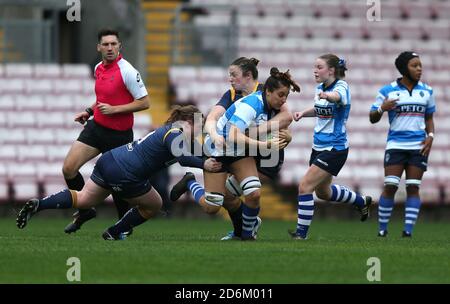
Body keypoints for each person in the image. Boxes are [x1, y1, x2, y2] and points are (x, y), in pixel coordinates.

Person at [16, 106, 223, 240]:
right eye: (200, 126)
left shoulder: (172, 132)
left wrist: (219, 158)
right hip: (127, 172)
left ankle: (39, 204)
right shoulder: (175, 132)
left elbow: (201, 152)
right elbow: (184, 158)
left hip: (110, 160)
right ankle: (114, 232)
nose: (200, 131)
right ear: (189, 121)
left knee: (84, 198)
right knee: (154, 204)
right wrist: (205, 166)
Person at [171, 57, 294, 240]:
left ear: (248, 76)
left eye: (233, 74)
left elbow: (287, 117)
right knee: (213, 205)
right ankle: (191, 182)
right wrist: (214, 135)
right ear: (269, 93)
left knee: (253, 193)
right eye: (230, 74)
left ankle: (245, 234)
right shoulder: (240, 98)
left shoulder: (269, 92)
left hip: (249, 152)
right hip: (224, 150)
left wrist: (269, 135)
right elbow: (216, 121)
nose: (230, 78)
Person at [62, 29, 149, 234]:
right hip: (96, 128)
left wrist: (115, 110)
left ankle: (123, 226)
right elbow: (103, 98)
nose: (110, 48)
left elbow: (145, 102)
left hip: (119, 135)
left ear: (119, 46)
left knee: (118, 184)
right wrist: (89, 111)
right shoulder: (99, 68)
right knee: (68, 169)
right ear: (98, 47)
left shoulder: (127, 71)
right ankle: (85, 211)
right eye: (106, 44)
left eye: (113, 44)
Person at [290, 54, 372, 240]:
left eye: (319, 67)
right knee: (323, 192)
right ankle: (361, 201)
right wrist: (303, 113)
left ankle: (300, 235)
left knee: (304, 186)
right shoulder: (320, 88)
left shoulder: (341, 87)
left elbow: (337, 98)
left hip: (335, 148)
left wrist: (328, 95)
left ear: (332, 70)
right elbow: (320, 110)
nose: (315, 70)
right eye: (314, 67)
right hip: (318, 146)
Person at [370, 51, 435, 238]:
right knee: (390, 186)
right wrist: (382, 108)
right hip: (396, 145)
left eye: (420, 65)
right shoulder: (387, 91)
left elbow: (429, 117)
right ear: (404, 68)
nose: (419, 69)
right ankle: (382, 230)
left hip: (419, 146)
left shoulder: (427, 91)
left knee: (413, 187)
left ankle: (408, 231)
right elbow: (372, 117)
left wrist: (430, 136)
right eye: (415, 65)